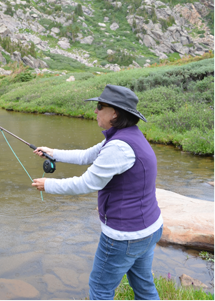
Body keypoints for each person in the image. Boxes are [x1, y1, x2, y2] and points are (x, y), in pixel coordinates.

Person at [32, 84, 163, 301]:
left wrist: (49, 185)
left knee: (100, 289)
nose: (96, 111)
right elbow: (86, 155)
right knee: (143, 285)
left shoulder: (119, 147)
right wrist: (52, 153)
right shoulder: (125, 136)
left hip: (125, 236)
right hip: (148, 229)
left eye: (100, 106)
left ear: (115, 113)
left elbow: (87, 183)